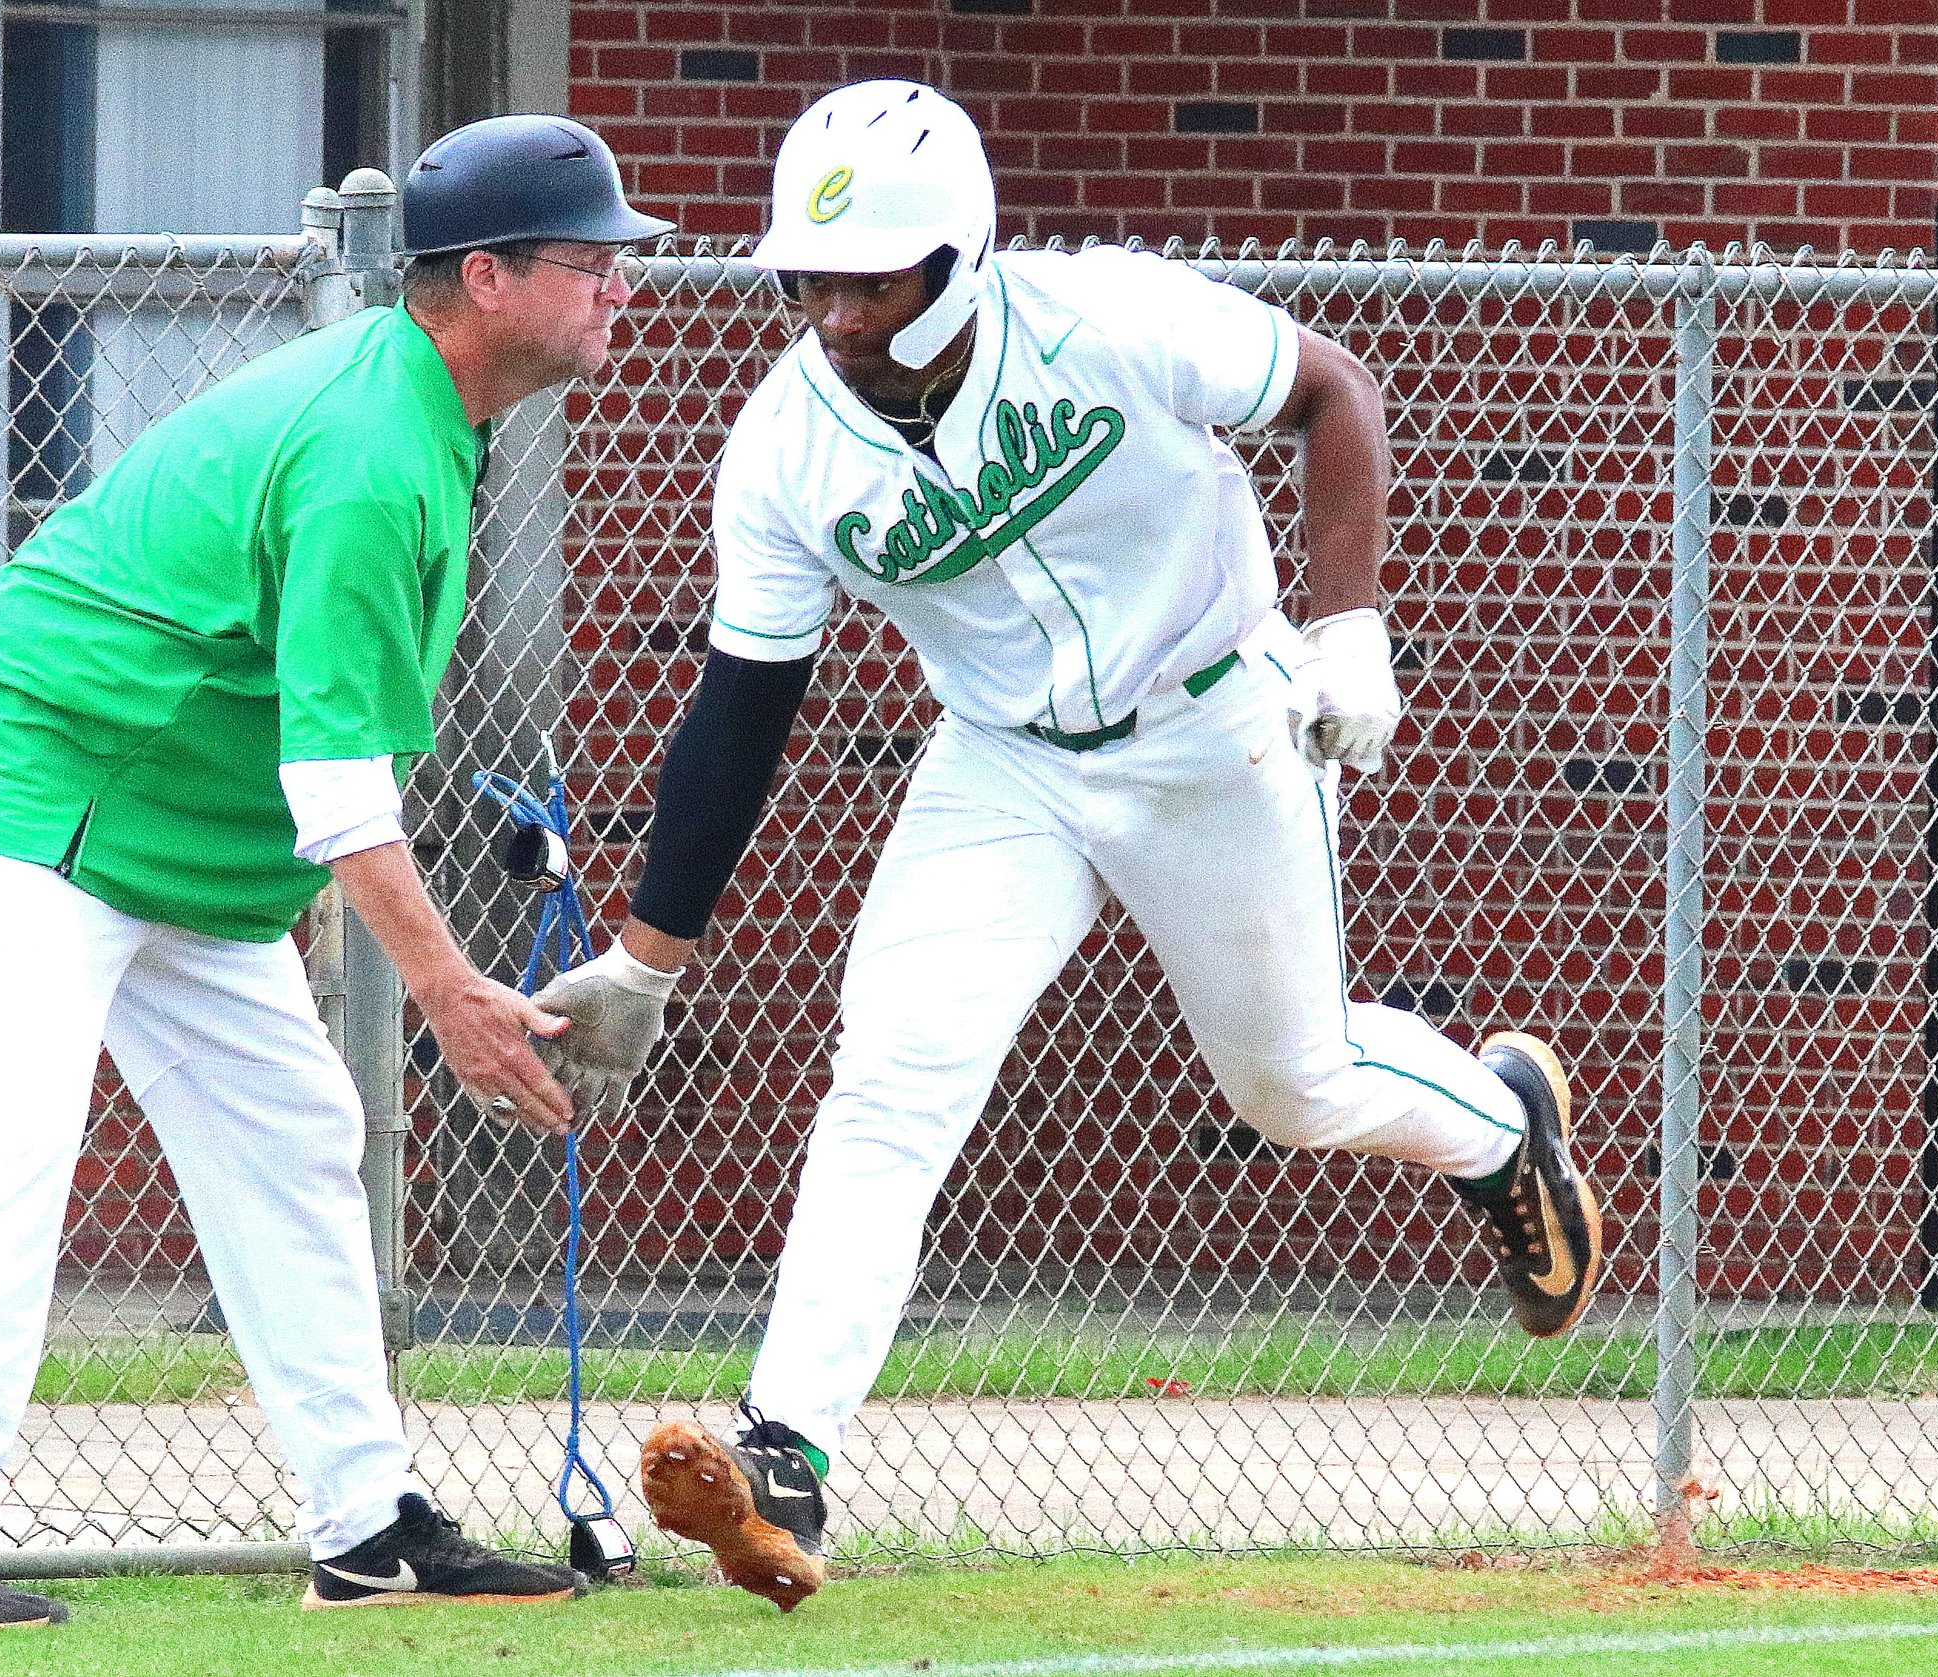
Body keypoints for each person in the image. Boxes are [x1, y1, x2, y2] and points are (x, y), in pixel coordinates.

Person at [529, 80, 1604, 1611]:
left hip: (1217, 716)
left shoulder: (1108, 315)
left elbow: (1334, 390)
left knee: (1289, 1087)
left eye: (872, 274)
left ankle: (1499, 1123)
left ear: (963, 255)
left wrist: (1350, 624)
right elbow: (744, 703)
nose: (834, 308)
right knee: (893, 1075)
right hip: (1004, 765)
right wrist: (648, 957)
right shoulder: (784, 445)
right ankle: (788, 1456)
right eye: (809, 276)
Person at [0, 116, 672, 1634]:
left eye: (621, 259)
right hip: (45, 796)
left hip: (180, 833)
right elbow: (338, 789)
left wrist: (441, 979)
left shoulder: (432, 412)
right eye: (587, 259)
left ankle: (365, 1529)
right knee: (17, 1138)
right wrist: (452, 994)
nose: (621, 283)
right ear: (482, 278)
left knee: (299, 1128)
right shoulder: (372, 450)